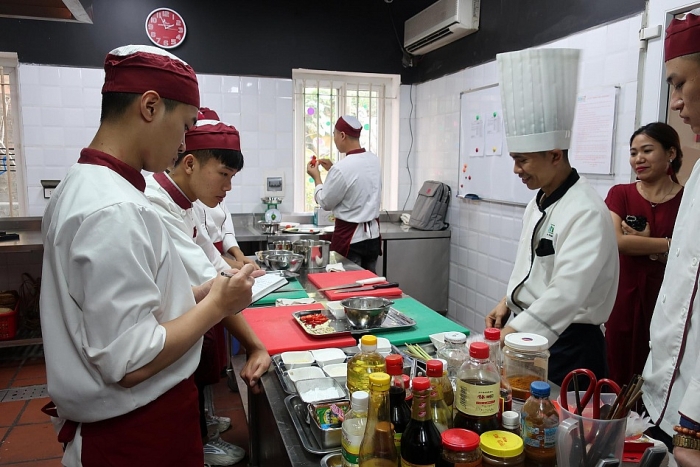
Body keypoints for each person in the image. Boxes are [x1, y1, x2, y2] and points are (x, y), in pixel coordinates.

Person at [39, 45, 261, 466]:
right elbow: (131, 362)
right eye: (184, 125)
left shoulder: (87, 183)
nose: (183, 143)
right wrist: (217, 305)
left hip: (141, 418)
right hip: (135, 431)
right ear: (150, 106)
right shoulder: (114, 208)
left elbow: (119, 310)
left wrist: (194, 295)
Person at [484, 48, 619, 386]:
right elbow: (532, 268)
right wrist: (508, 302)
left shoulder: (586, 211)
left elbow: (567, 293)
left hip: (570, 347)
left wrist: (514, 331)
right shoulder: (540, 201)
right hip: (532, 335)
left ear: (555, 155)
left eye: (523, 160)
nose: (516, 169)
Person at [145, 112, 271, 465]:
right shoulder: (157, 204)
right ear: (189, 163)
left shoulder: (184, 203)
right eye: (224, 175)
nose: (227, 187)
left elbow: (215, 264)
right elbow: (218, 288)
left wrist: (240, 271)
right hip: (156, 341)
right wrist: (255, 345)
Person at [642, 9, 700, 465]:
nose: (676, 103)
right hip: (667, 389)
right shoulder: (699, 174)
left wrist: (694, 424)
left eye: (679, 84)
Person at [605, 123, 683, 387]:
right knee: (617, 373)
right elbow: (618, 242)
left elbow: (689, 257)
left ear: (670, 153)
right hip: (623, 298)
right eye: (633, 152)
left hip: (666, 301)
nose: (638, 159)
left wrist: (646, 244)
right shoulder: (620, 194)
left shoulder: (687, 200)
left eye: (647, 150)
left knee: (658, 375)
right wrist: (668, 244)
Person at [306, 115, 382, 272]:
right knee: (369, 283)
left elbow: (325, 202)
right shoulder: (373, 160)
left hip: (351, 241)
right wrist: (332, 170)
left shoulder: (342, 168)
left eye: (334, 134)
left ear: (342, 135)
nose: (334, 139)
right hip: (373, 238)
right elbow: (356, 183)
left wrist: (317, 177)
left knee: (348, 284)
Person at [192, 108, 259, 271]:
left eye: (231, 176)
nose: (228, 187)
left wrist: (239, 256)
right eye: (223, 174)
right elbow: (199, 257)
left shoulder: (211, 192)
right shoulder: (169, 200)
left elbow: (223, 232)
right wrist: (236, 267)